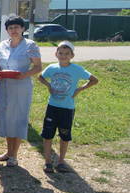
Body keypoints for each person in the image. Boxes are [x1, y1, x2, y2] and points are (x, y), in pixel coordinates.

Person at [38, 41, 98, 173]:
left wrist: (80, 89)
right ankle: (47, 162)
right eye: (61, 53)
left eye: (67, 53)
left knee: (64, 136)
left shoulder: (77, 69)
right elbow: (40, 77)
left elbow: (94, 80)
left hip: (67, 109)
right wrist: (48, 86)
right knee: (48, 135)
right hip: (52, 107)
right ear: (56, 54)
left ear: (72, 55)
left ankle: (61, 162)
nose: (63, 55)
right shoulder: (52, 68)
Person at [0, 15, 42, 167]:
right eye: (10, 28)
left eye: (16, 27)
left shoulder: (30, 45)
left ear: (23, 29)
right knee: (7, 119)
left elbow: (38, 67)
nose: (13, 30)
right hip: (4, 86)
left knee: (18, 119)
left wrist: (24, 75)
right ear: (7, 30)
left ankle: (14, 155)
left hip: (21, 87)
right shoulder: (2, 45)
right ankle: (8, 151)